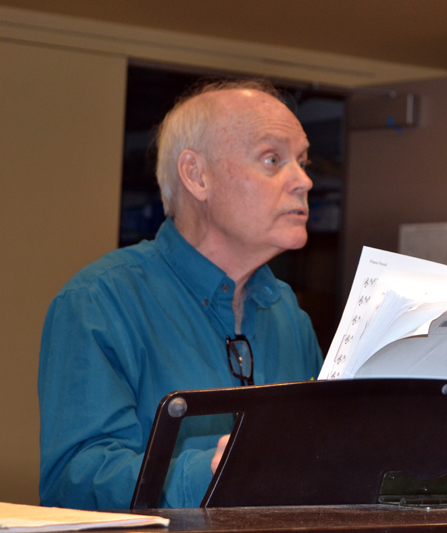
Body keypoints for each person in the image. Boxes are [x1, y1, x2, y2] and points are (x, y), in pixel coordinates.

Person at [38, 80, 323, 509]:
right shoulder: (99, 301)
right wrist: (212, 470)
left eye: (301, 161)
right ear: (196, 175)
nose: (304, 181)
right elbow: (75, 484)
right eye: (272, 159)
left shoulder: (288, 313)